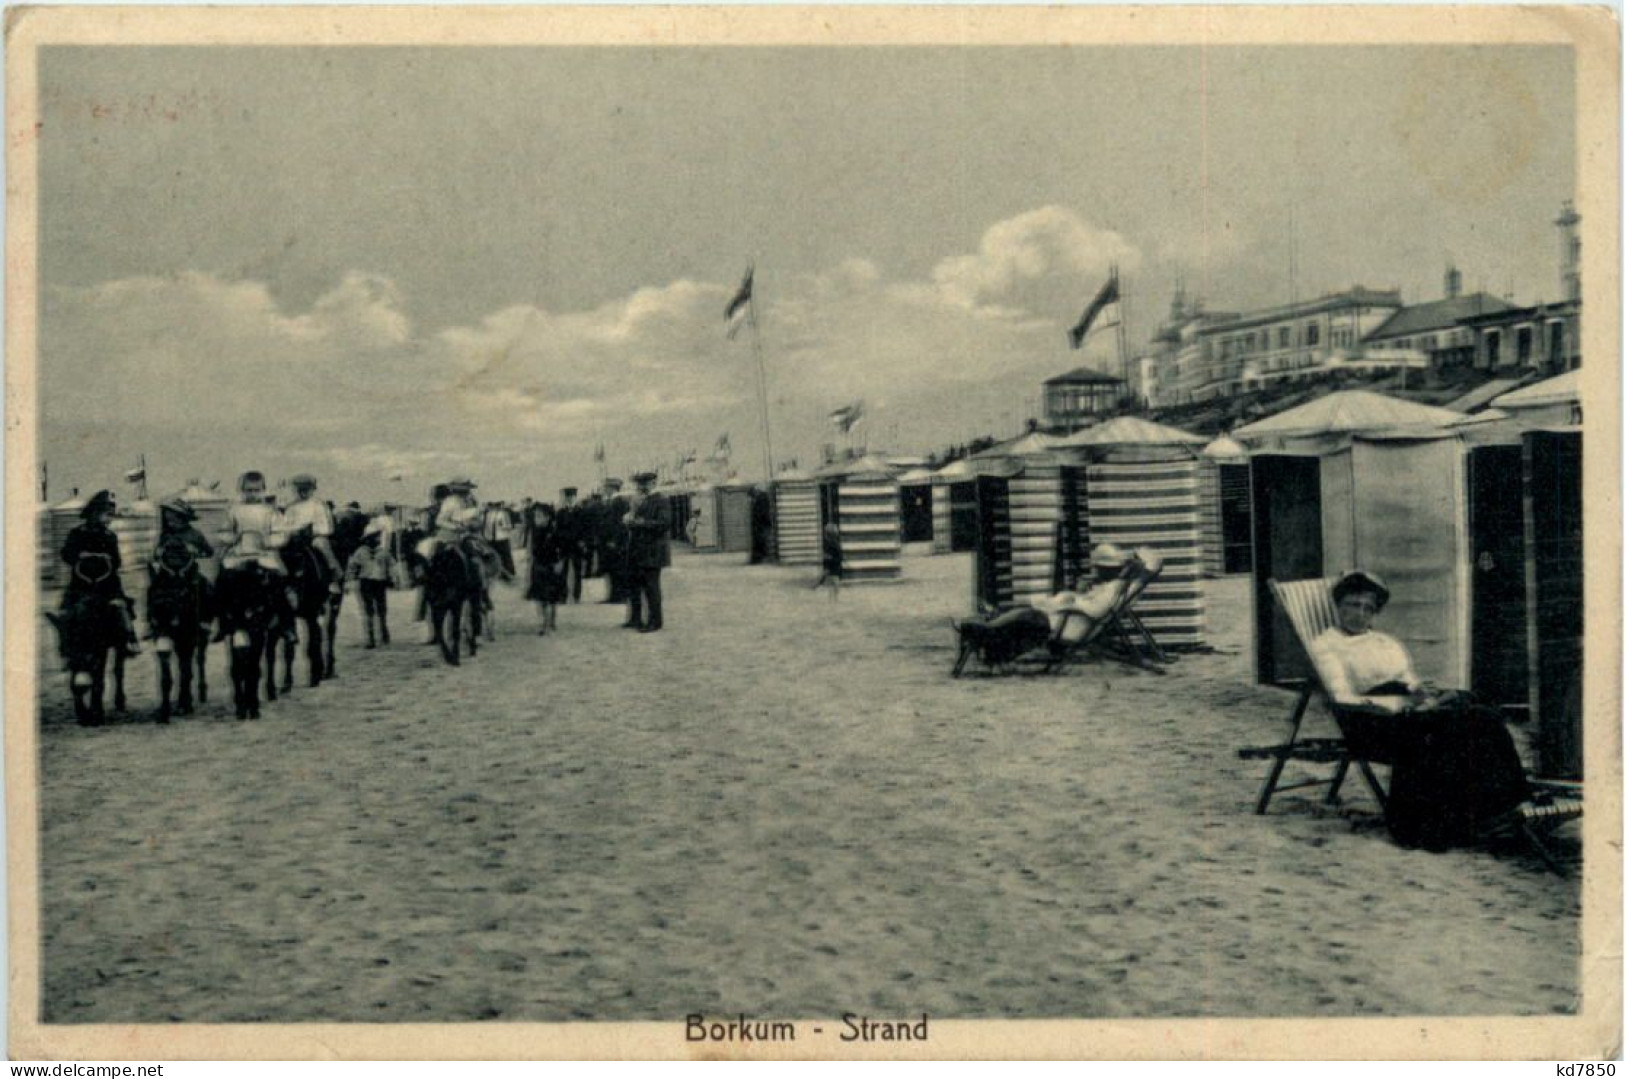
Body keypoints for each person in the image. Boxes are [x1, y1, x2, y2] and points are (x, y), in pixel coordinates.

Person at [1310, 569, 1531, 851]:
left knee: (1480, 713)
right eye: (1353, 605)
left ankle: (1501, 808)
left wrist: (1424, 693)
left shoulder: (1384, 642)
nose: (1360, 613)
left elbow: (1407, 680)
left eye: (1369, 608)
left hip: (1407, 715)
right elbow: (1342, 697)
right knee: (1469, 721)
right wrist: (1404, 705)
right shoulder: (1327, 646)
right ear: (1338, 606)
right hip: (1368, 723)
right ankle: (1449, 821)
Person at [60, 489, 141, 656]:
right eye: (106, 514)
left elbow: (117, 561)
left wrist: (108, 559)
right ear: (94, 513)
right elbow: (66, 554)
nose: (109, 518)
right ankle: (67, 646)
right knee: (67, 612)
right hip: (81, 582)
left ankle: (129, 639)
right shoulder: (77, 533)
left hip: (107, 583)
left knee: (121, 607)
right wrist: (79, 556)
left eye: (111, 514)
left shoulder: (110, 536)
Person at [623, 472, 671, 632]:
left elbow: (664, 523)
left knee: (651, 587)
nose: (640, 487)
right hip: (639, 551)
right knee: (635, 585)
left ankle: (655, 622)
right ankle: (636, 619)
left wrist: (639, 523)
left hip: (653, 551)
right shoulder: (640, 500)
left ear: (652, 483)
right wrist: (629, 520)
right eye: (639, 484)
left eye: (643, 484)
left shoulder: (661, 499)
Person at [280, 474, 344, 593]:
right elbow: (285, 524)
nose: (303, 492)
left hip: (314, 537)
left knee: (321, 545)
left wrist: (312, 530)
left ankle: (333, 576)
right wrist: (290, 530)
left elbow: (326, 526)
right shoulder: (291, 507)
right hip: (295, 537)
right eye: (299, 490)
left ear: (312, 490)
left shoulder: (318, 505)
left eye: (306, 489)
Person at [346, 520, 395, 647]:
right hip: (366, 582)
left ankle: (383, 634)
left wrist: (391, 578)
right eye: (375, 537)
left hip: (379, 583)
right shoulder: (361, 551)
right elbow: (352, 567)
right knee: (368, 611)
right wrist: (351, 579)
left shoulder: (383, 552)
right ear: (368, 539)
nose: (378, 539)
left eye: (378, 536)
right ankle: (370, 638)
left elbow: (391, 566)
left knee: (381, 609)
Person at [525, 503, 568, 635]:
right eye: (535, 516)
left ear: (548, 517)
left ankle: (551, 622)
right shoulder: (534, 531)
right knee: (539, 598)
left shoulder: (555, 531)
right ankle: (543, 624)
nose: (536, 519)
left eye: (539, 516)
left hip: (552, 567)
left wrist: (560, 563)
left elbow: (564, 549)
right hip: (538, 566)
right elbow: (531, 550)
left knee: (552, 599)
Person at [600, 478, 632, 606]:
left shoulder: (619, 502)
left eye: (605, 487)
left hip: (616, 542)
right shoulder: (612, 501)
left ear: (612, 488)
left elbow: (620, 524)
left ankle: (620, 595)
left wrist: (615, 540)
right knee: (612, 569)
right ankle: (614, 595)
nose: (604, 490)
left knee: (618, 569)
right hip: (610, 542)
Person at [556, 487, 588, 603]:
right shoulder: (560, 513)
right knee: (562, 572)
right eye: (568, 497)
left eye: (572, 497)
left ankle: (576, 596)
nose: (570, 500)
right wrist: (558, 545)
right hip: (564, 546)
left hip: (577, 546)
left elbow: (586, 529)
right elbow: (558, 530)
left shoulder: (581, 512)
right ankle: (562, 596)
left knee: (577, 572)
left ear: (575, 498)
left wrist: (583, 542)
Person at [483, 501, 516, 581]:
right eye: (492, 505)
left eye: (495, 505)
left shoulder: (503, 514)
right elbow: (486, 527)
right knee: (494, 556)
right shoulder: (488, 514)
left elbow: (509, 526)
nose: (494, 507)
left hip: (502, 538)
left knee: (505, 556)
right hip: (491, 539)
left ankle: (509, 574)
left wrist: (503, 526)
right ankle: (497, 573)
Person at [811, 521, 844, 600]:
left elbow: (835, 555)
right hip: (833, 564)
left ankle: (833, 596)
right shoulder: (834, 544)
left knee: (832, 580)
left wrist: (829, 558)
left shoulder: (832, 545)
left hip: (833, 564)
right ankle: (833, 596)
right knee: (833, 581)